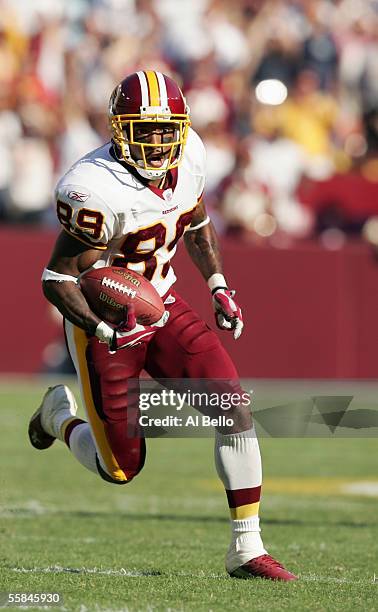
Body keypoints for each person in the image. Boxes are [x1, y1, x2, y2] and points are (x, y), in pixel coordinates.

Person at [29, 70, 296, 581]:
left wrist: (217, 283)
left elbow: (195, 221)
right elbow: (56, 278)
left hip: (164, 301)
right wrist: (106, 331)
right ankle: (58, 418)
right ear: (118, 129)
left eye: (165, 129)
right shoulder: (92, 187)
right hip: (104, 321)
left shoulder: (191, 153)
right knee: (121, 468)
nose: (157, 142)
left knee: (231, 404)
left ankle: (246, 547)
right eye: (143, 130)